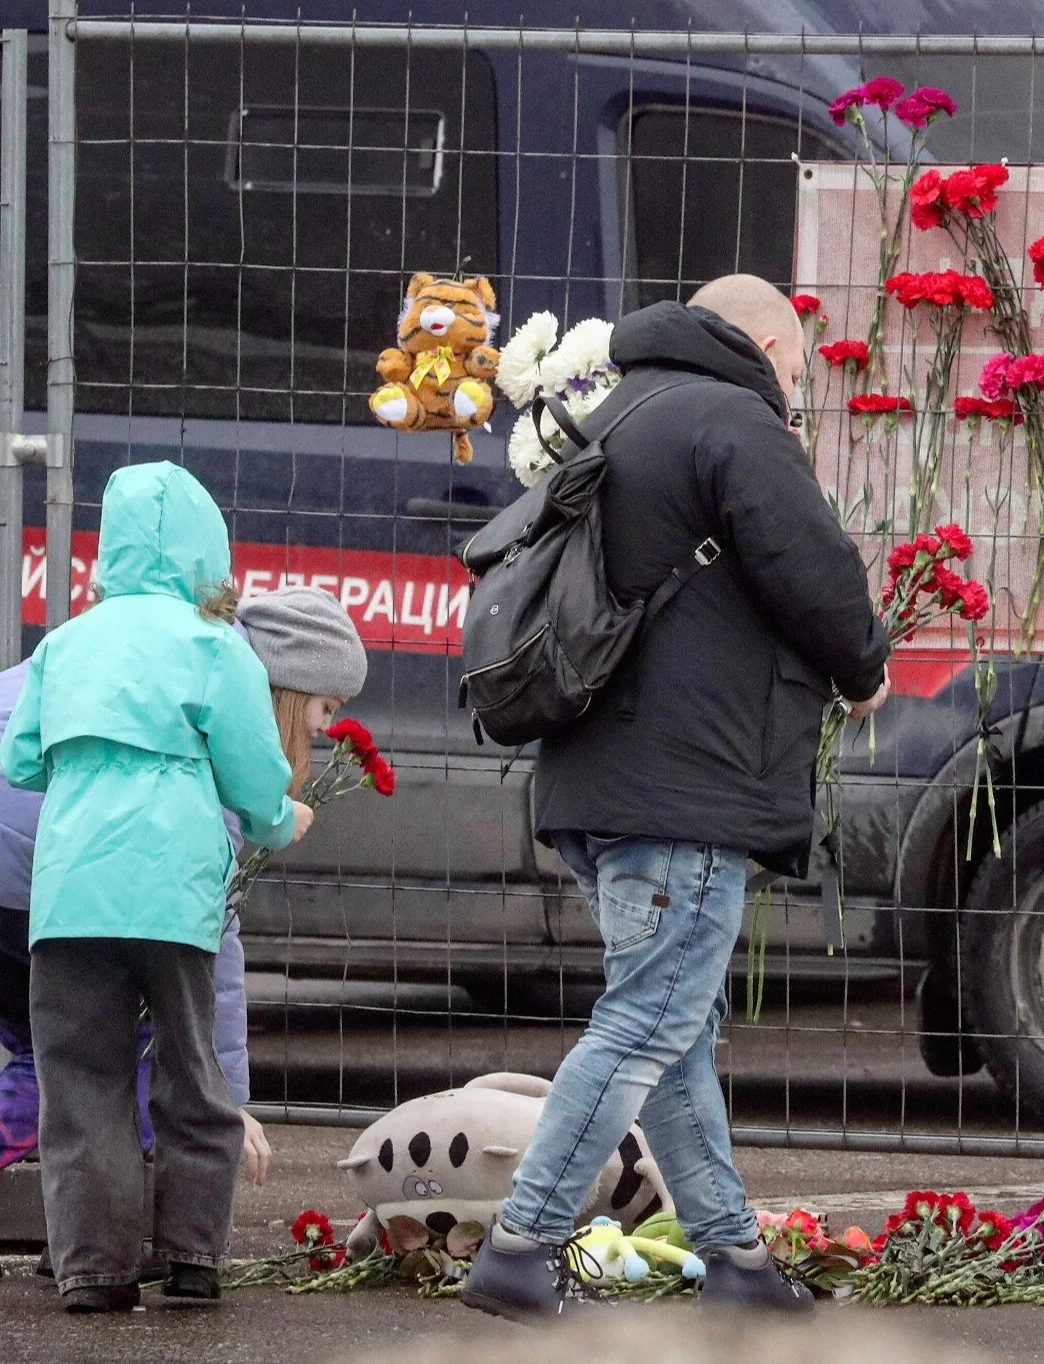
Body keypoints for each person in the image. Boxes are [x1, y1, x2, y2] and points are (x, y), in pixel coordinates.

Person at [462, 275, 889, 1320]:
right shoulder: (733, 418)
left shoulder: (619, 407)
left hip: (601, 777)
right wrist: (864, 664)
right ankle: (521, 1242)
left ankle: (735, 1261)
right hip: (685, 786)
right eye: (796, 368)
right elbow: (818, 574)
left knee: (671, 1029)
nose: (795, 390)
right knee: (647, 1020)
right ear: (764, 344)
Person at [1, 463, 315, 1313]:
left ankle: (94, 1270)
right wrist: (283, 818)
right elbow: (254, 779)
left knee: (80, 1082)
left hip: (69, 895)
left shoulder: (66, 642)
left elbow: (19, 758)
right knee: (189, 1067)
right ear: (205, 553)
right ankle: (190, 1256)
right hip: (172, 892)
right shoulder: (214, 645)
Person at [0, 585, 367, 1187]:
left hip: (26, 860)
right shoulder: (218, 706)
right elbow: (209, 926)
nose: (327, 730)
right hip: (28, 870)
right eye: (325, 708)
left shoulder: (156, 641)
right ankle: (109, 1241)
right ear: (288, 687)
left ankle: (84, 1234)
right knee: (125, 1057)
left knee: (56, 1060)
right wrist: (227, 1096)